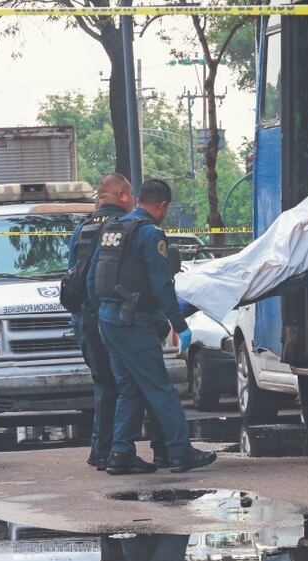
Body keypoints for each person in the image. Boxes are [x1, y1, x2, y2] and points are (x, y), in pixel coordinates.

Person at [88, 179, 216, 475]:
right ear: (162, 206)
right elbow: (162, 286)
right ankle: (181, 453)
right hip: (132, 322)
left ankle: (120, 453)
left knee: (129, 388)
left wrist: (101, 314)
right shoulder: (149, 234)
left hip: (108, 320)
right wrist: (180, 325)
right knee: (160, 388)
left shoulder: (113, 230)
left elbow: (94, 277)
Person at [66, 174, 170, 470]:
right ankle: (160, 449)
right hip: (121, 317)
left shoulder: (81, 229)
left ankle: (102, 449)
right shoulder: (128, 229)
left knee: (105, 384)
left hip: (87, 318)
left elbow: (74, 274)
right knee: (142, 382)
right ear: (123, 195)